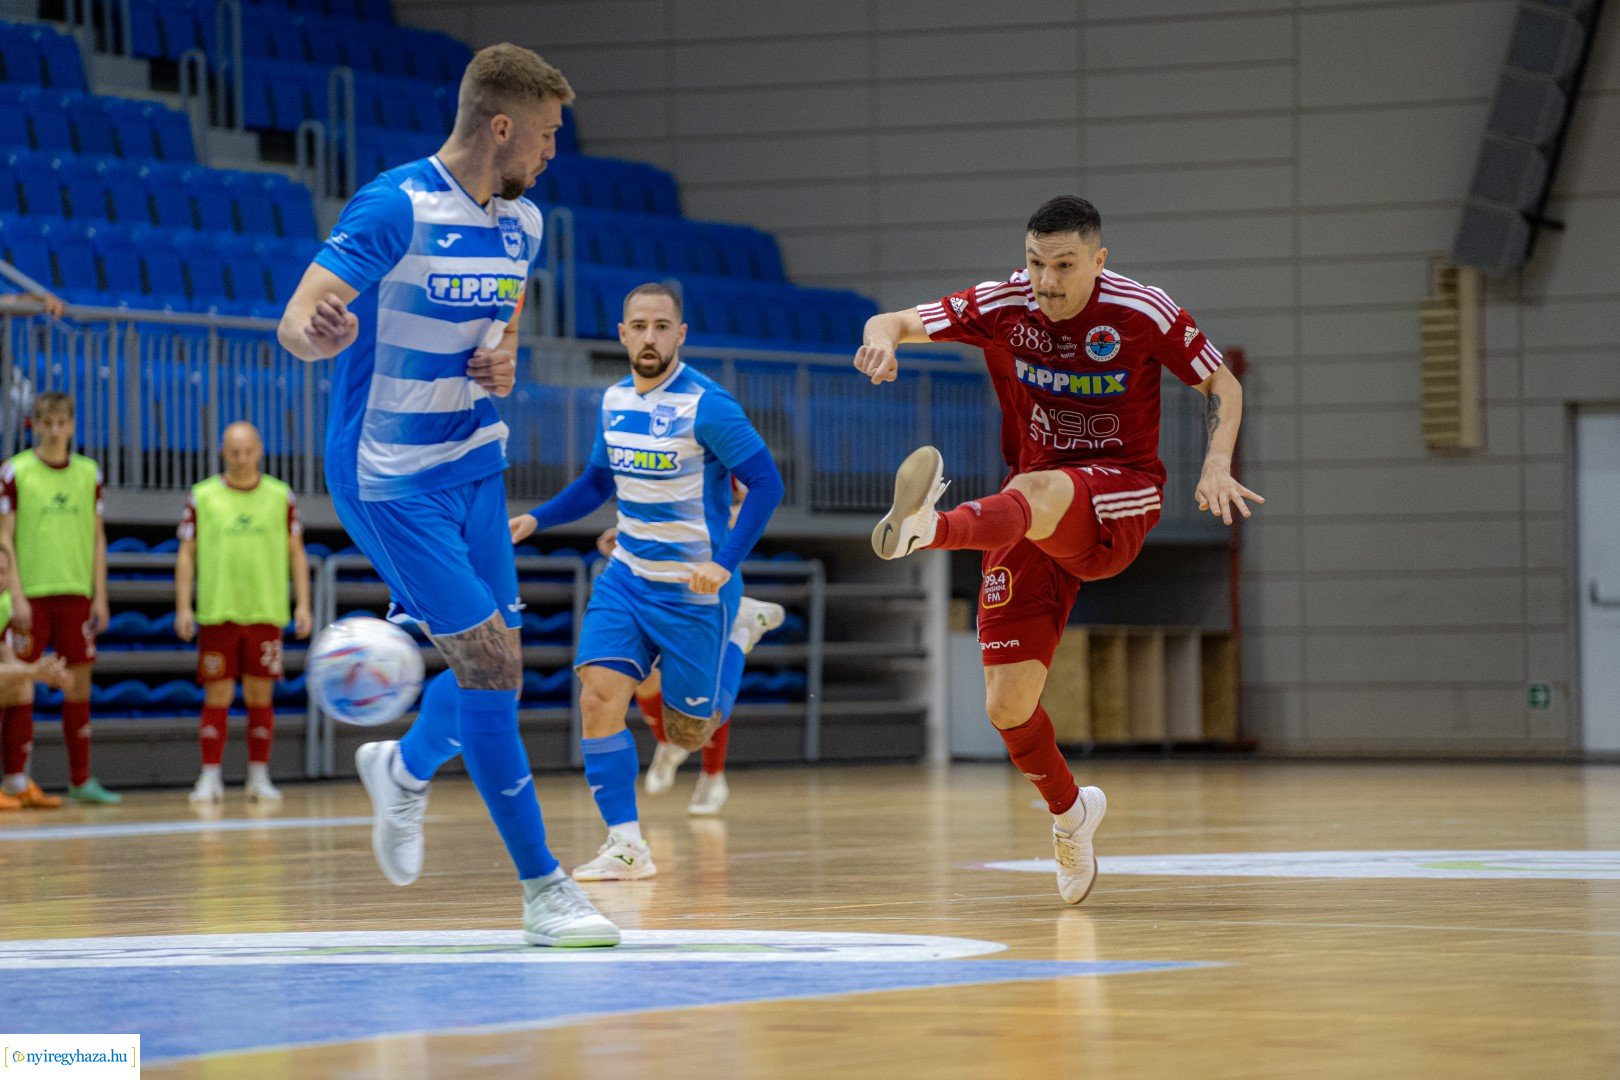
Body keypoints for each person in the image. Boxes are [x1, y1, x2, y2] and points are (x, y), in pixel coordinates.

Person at [274, 43, 619, 947]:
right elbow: (296, 323)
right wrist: (320, 333)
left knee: (495, 663)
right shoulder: (395, 205)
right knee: (493, 669)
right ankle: (544, 888)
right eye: (546, 135)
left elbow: (500, 334)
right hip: (389, 475)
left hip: (473, 461)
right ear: (501, 127)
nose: (552, 152)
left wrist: (504, 362)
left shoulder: (524, 223)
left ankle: (402, 767)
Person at [854, 196, 1261, 905]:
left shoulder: (1142, 310)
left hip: (1118, 496)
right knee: (1007, 707)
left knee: (1037, 487)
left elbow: (1220, 381)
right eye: (1036, 263)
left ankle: (928, 530)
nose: (1046, 280)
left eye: (1064, 265)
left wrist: (1217, 463)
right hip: (1027, 513)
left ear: (1099, 261)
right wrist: (882, 345)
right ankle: (1073, 815)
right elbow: (891, 320)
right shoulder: (1005, 303)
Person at [509, 282, 784, 877]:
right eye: (639, 326)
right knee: (598, 694)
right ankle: (626, 845)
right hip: (627, 579)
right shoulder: (612, 400)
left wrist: (724, 563)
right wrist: (537, 518)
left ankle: (739, 633)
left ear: (680, 335)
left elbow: (767, 484)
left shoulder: (708, 405)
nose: (650, 337)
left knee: (688, 734)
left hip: (696, 593)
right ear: (622, 334)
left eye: (662, 326)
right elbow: (597, 482)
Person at [605, 478, 784, 816]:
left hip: (705, 575)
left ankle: (712, 776)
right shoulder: (659, 457)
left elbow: (757, 500)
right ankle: (668, 742)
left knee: (705, 696)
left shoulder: (724, 455)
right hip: (658, 575)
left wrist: (712, 520)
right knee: (642, 672)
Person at [175, 422, 314, 806]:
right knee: (217, 694)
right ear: (223, 451)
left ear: (260, 450)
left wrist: (303, 603)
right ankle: (209, 777)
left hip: (265, 610)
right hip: (217, 611)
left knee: (260, 695)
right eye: (234, 452)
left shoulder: (280, 495)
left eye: (248, 451)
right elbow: (186, 554)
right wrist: (183, 606)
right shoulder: (202, 495)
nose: (241, 458)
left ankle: (258, 776)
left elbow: (296, 552)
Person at [0, 392, 118, 806]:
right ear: (33, 425)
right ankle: (15, 781)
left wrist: (100, 595)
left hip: (76, 593)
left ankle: (80, 780)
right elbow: (4, 535)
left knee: (78, 684)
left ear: (71, 426)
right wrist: (16, 594)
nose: (54, 431)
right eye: (46, 423)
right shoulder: (15, 470)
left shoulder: (88, 472)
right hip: (31, 595)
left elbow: (98, 537)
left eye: (61, 423)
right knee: (19, 683)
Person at [0, 544, 69, 810]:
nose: (1, 578)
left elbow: (5, 656)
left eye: (4, 572)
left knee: (21, 687)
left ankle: (15, 783)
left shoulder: (4, 605)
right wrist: (33, 672)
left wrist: (44, 668)